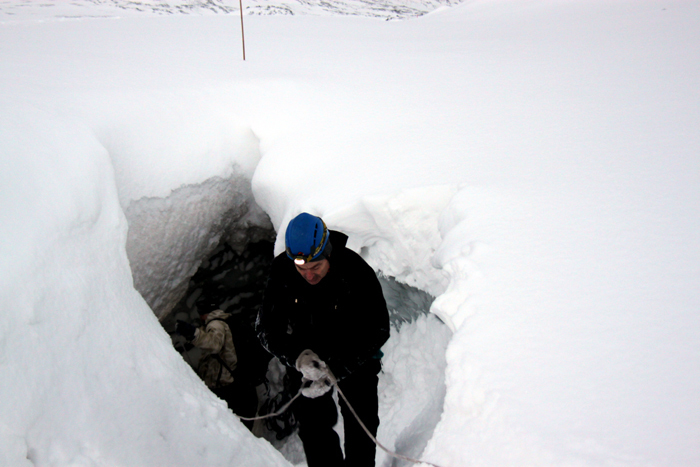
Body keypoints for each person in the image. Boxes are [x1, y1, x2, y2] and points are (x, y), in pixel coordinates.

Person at [256, 212, 390, 467]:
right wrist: (296, 357)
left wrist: (337, 369)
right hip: (307, 362)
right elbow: (265, 329)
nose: (308, 275)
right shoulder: (282, 272)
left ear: (327, 253)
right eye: (301, 268)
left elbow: (379, 328)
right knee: (313, 429)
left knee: (361, 429)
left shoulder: (355, 271)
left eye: (315, 267)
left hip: (354, 358)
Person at [176, 307, 258, 430]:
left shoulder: (215, 322)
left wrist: (193, 333)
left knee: (229, 428)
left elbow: (214, 344)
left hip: (226, 385)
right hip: (239, 384)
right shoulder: (228, 319)